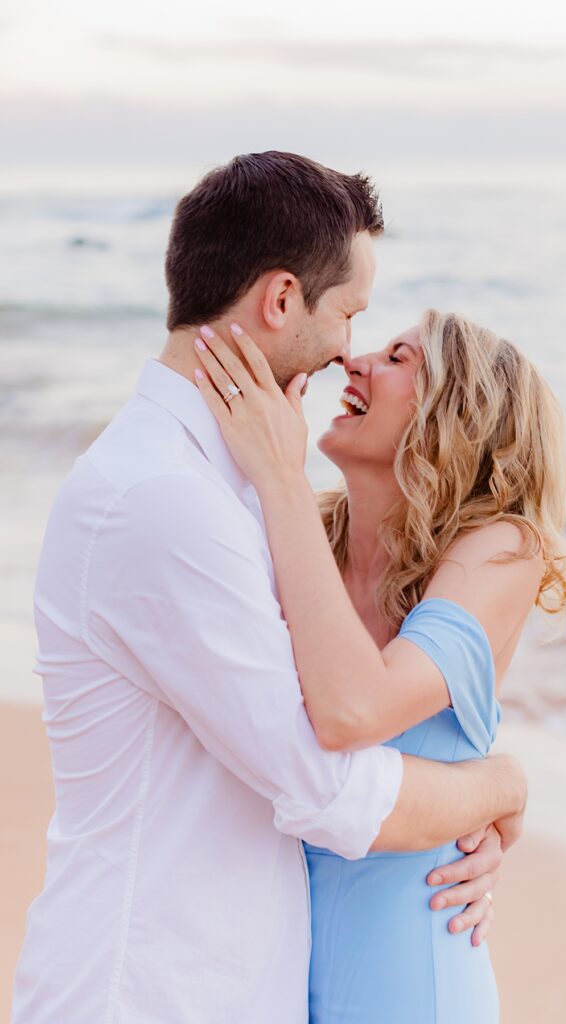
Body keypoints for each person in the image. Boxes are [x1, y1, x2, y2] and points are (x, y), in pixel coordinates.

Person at [11, 153, 527, 1024]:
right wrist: (499, 786)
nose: (347, 352)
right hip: (149, 991)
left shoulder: (240, 485)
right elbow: (323, 785)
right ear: (282, 299)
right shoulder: (163, 499)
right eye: (349, 314)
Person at [192, 308, 566, 1022]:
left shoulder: (501, 549)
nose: (355, 360)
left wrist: (278, 476)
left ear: (456, 411)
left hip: (405, 978)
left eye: (398, 358)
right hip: (262, 963)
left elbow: (354, 712)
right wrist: (497, 783)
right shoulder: (303, 538)